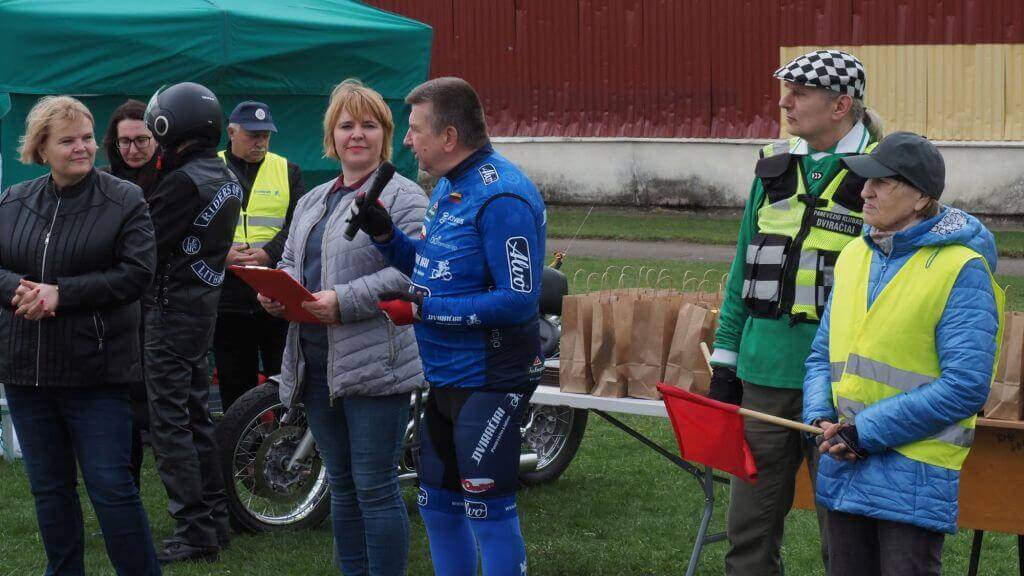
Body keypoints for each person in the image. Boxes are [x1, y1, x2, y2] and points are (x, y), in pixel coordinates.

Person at [351, 76, 546, 576]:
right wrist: (387, 236)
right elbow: (434, 268)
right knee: (437, 506)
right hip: (443, 376)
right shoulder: (448, 187)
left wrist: (422, 312)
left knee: (488, 512)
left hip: (490, 378)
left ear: (450, 137)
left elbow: (518, 301)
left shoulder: (503, 196)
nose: (408, 140)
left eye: (415, 130)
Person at [707, 49, 883, 576]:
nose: (784, 102)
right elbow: (742, 271)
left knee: (847, 542)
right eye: (786, 91)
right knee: (748, 537)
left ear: (840, 105)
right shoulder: (773, 167)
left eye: (799, 93)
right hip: (762, 378)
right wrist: (725, 363)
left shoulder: (883, 172)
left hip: (843, 386)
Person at [803, 132, 1002, 576]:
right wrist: (819, 419)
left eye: (883, 182)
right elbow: (821, 355)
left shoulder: (961, 268)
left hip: (914, 475)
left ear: (921, 198)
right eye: (865, 181)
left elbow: (965, 386)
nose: (865, 191)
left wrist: (864, 432)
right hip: (844, 460)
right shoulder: (855, 254)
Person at [258, 78, 426, 576]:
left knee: (375, 488)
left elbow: (412, 272)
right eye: (346, 125)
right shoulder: (313, 199)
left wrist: (343, 301)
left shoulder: (404, 196)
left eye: (368, 125)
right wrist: (276, 289)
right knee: (343, 485)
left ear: (385, 135)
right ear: (331, 137)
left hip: (378, 363)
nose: (357, 135)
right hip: (316, 363)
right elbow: (291, 258)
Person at [0, 95, 161, 574]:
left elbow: (137, 274)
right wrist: (22, 291)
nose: (82, 148)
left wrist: (61, 294)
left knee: (112, 487)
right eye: (67, 140)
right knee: (49, 488)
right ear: (41, 149)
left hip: (97, 374)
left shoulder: (123, 199)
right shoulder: (13, 200)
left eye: (87, 137)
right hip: (26, 372)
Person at [143, 82, 241, 564]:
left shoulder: (182, 183)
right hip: (201, 307)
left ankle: (194, 527)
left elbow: (145, 245)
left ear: (166, 125)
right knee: (197, 415)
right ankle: (215, 520)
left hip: (171, 309)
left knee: (170, 422)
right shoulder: (222, 174)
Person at [216, 101, 305, 411]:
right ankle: (238, 450)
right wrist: (221, 253)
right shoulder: (208, 168)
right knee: (233, 383)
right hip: (226, 296)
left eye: (266, 135)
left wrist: (269, 253)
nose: (261, 142)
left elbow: (299, 224)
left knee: (283, 380)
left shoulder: (288, 170)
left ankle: (286, 444)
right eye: (253, 135)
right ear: (231, 132)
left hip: (274, 295)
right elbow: (190, 225)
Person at [101, 98, 163, 490]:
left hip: (161, 303)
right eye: (125, 142)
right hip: (118, 305)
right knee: (122, 405)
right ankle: (128, 487)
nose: (133, 149)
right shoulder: (104, 183)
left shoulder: (172, 181)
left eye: (141, 139)